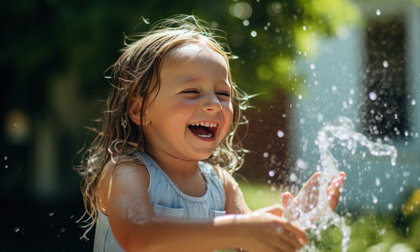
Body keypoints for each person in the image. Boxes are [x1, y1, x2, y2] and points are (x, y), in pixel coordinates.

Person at [77, 15, 346, 252]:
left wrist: (293, 220)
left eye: (223, 93)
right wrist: (240, 228)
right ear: (139, 110)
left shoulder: (222, 185)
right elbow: (138, 235)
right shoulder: (128, 171)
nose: (214, 104)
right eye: (191, 92)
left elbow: (249, 246)